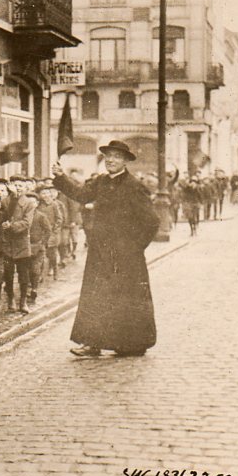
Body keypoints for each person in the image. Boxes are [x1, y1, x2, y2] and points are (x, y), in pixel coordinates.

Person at [52, 140, 159, 357]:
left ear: (125, 161)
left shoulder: (134, 186)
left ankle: (130, 344)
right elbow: (81, 194)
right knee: (96, 295)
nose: (111, 160)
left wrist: (135, 247)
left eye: (116, 157)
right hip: (100, 252)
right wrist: (61, 177)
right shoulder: (100, 182)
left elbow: (152, 221)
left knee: (126, 298)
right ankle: (91, 343)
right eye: (108, 156)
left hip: (127, 256)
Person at [1, 175, 35, 314]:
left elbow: (27, 223)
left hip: (22, 243)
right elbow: (2, 217)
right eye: (15, 185)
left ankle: (23, 301)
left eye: (20, 186)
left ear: (25, 187)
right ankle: (11, 299)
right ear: (10, 186)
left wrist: (11, 226)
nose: (18, 188)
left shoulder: (29, 203)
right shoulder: (4, 201)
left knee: (23, 274)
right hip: (7, 242)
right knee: (8, 273)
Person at [27, 192, 51, 305]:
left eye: (33, 202)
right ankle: (27, 289)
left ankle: (34, 289)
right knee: (26, 270)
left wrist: (42, 243)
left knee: (35, 269)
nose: (30, 205)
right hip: (24, 247)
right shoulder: (22, 216)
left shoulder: (41, 216)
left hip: (38, 247)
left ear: (37, 203)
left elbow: (48, 231)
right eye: (28, 202)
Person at [37, 186, 64, 281]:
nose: (45, 195)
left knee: (52, 254)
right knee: (41, 255)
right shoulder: (38, 205)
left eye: (47, 193)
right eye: (43, 193)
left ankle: (55, 270)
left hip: (52, 233)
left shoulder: (54, 204)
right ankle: (40, 275)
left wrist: (54, 230)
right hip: (41, 233)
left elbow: (59, 219)